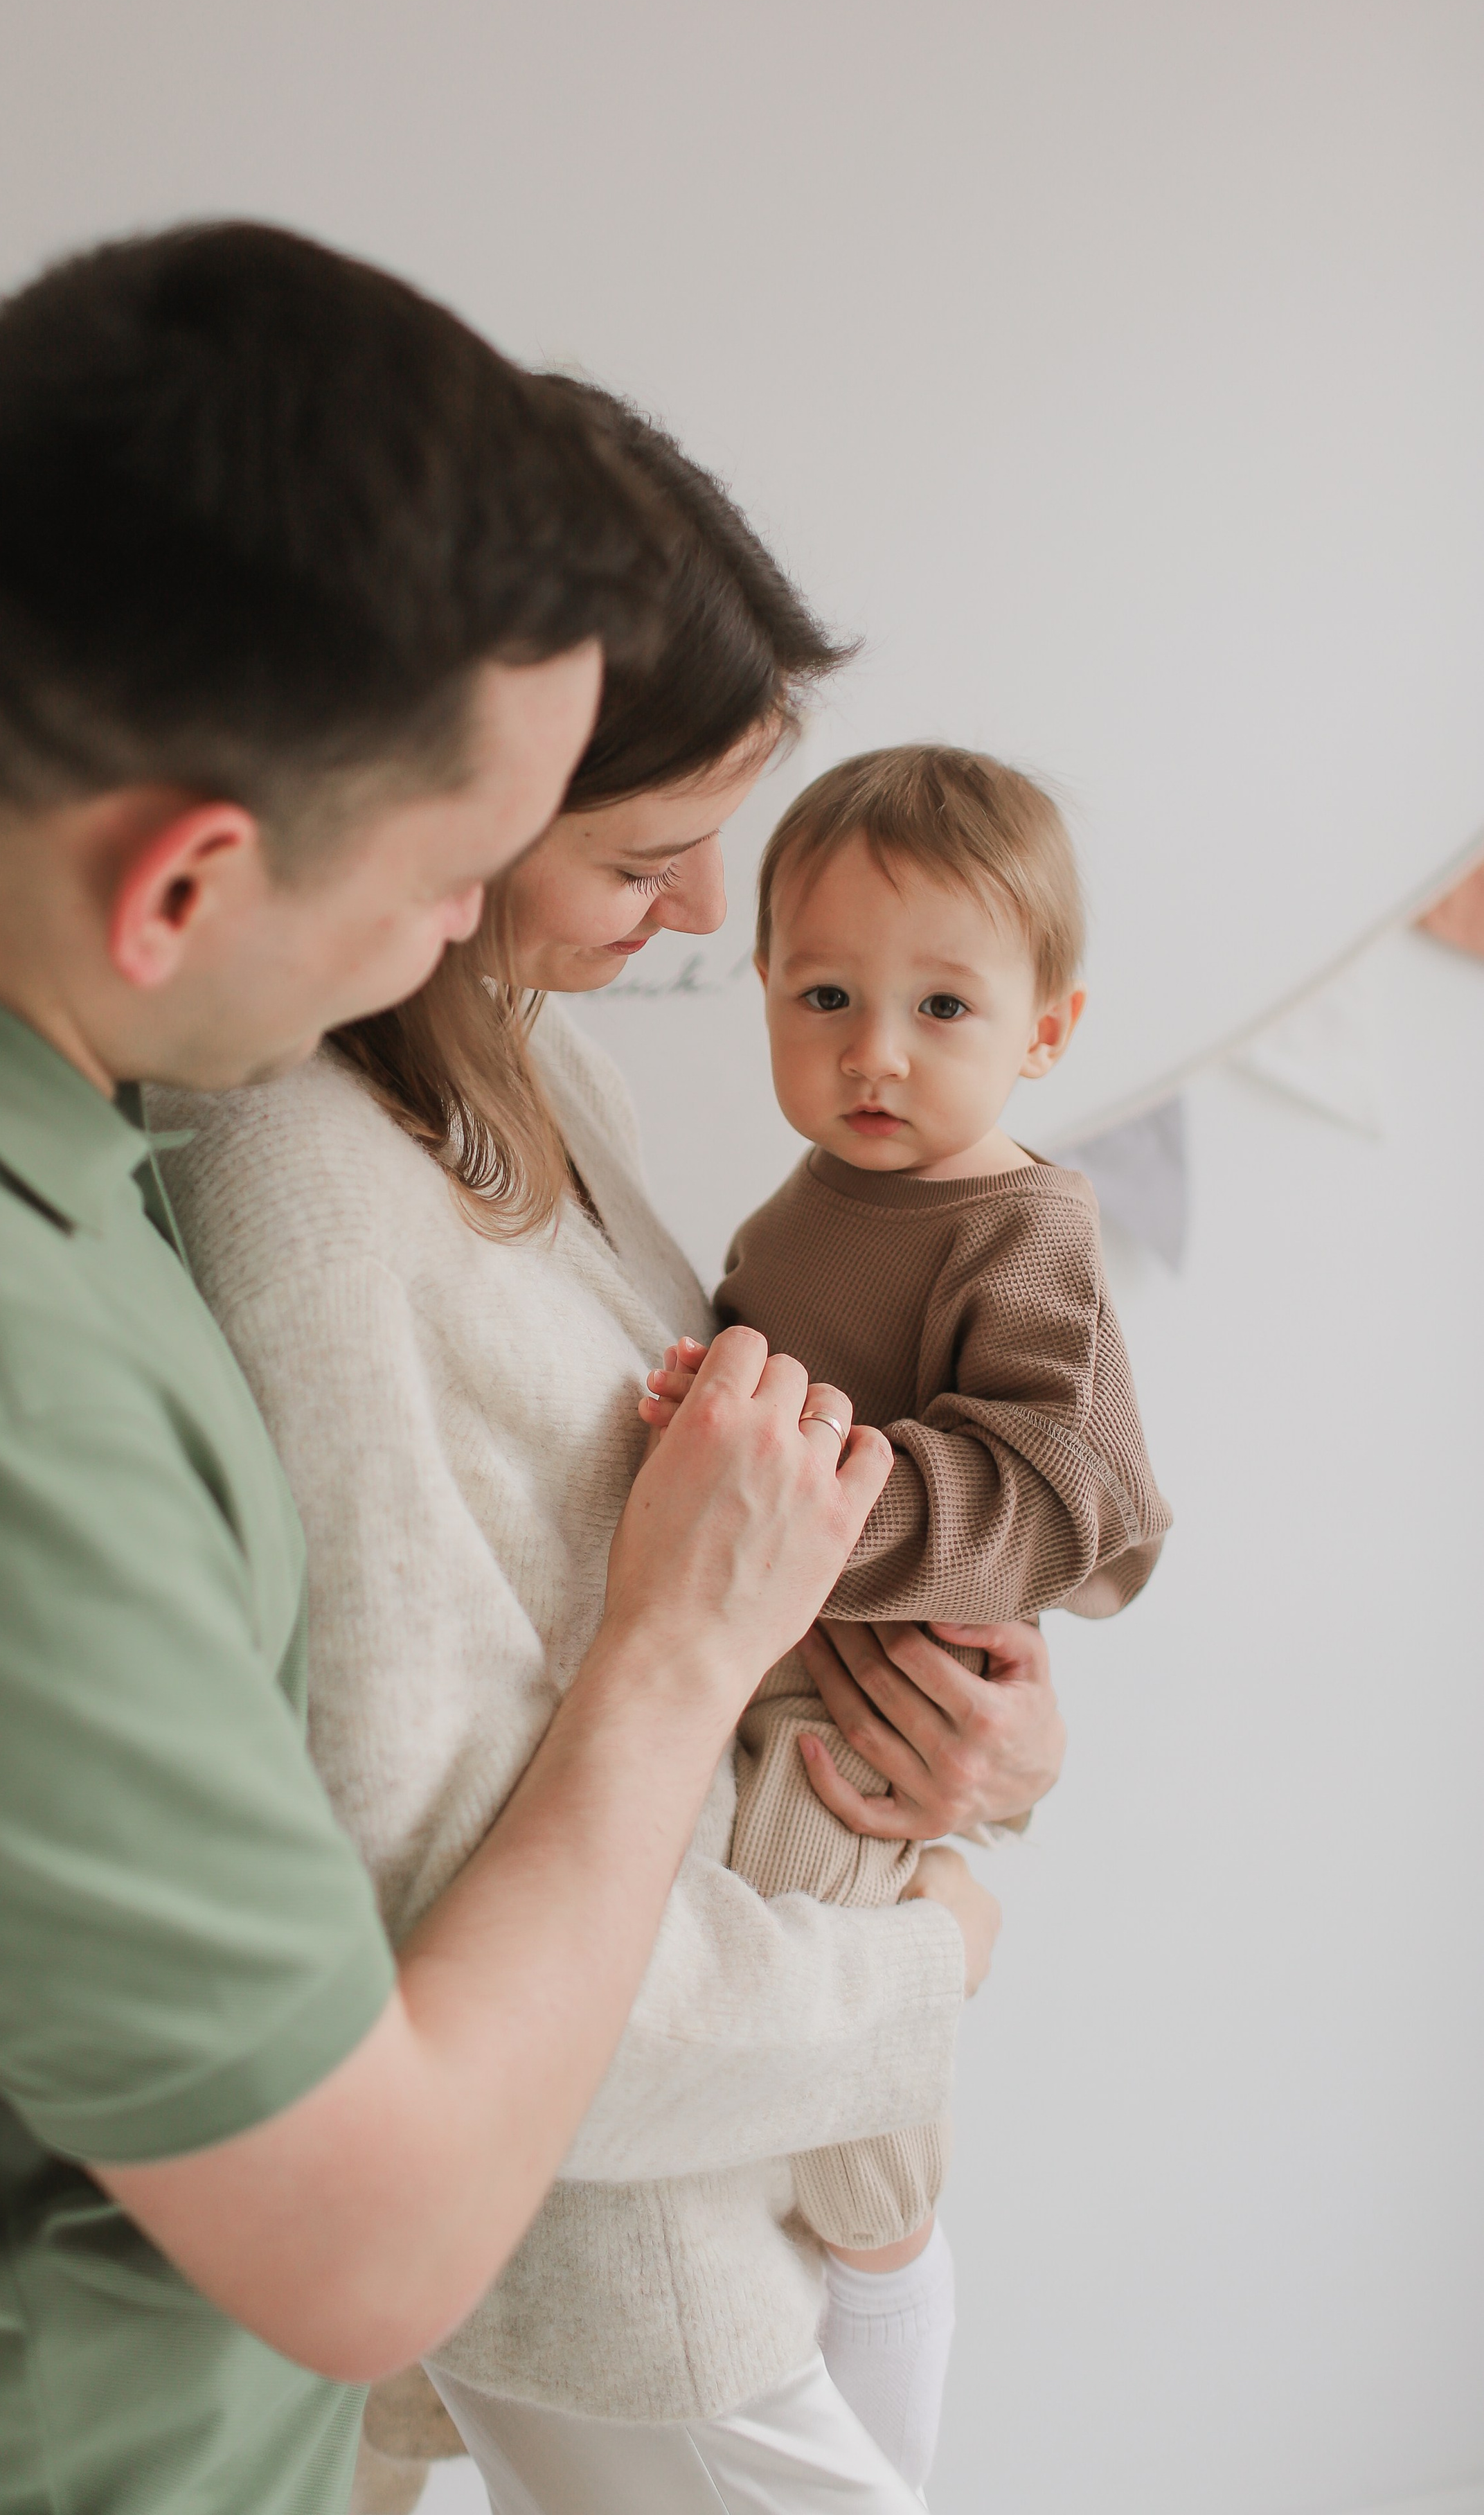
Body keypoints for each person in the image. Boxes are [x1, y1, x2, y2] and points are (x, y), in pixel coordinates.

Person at [0, 228, 914, 2515]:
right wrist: (680, 1647)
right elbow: (369, 2249)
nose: (473, 942)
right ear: (179, 888)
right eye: (461, 878)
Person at [157, 391, 1065, 2515]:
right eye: (645, 858)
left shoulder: (527, 1076)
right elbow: (425, 1912)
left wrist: (976, 1744)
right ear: (443, 806)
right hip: (620, 2226)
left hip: (724, 2142)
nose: (703, 918)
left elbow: (723, 1560)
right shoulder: (294, 1178)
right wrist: (927, 1957)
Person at [645, 740, 1171, 2489]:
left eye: (942, 1005)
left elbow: (1064, 1493)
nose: (873, 1050)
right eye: (824, 994)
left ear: (1042, 1032)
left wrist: (807, 1488)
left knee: (833, 2078)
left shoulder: (1020, 1227)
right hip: (779, 1654)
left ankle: (887, 2319)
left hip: (880, 1701)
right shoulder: (806, 1200)